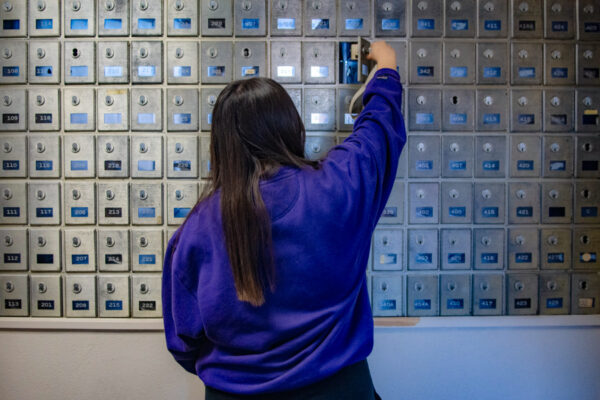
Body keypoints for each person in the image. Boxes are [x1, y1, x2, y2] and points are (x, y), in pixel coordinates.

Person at [162, 41, 406, 399]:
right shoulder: (339, 185)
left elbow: (183, 339)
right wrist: (386, 67)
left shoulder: (196, 229)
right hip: (339, 390)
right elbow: (379, 132)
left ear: (221, 145)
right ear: (292, 126)